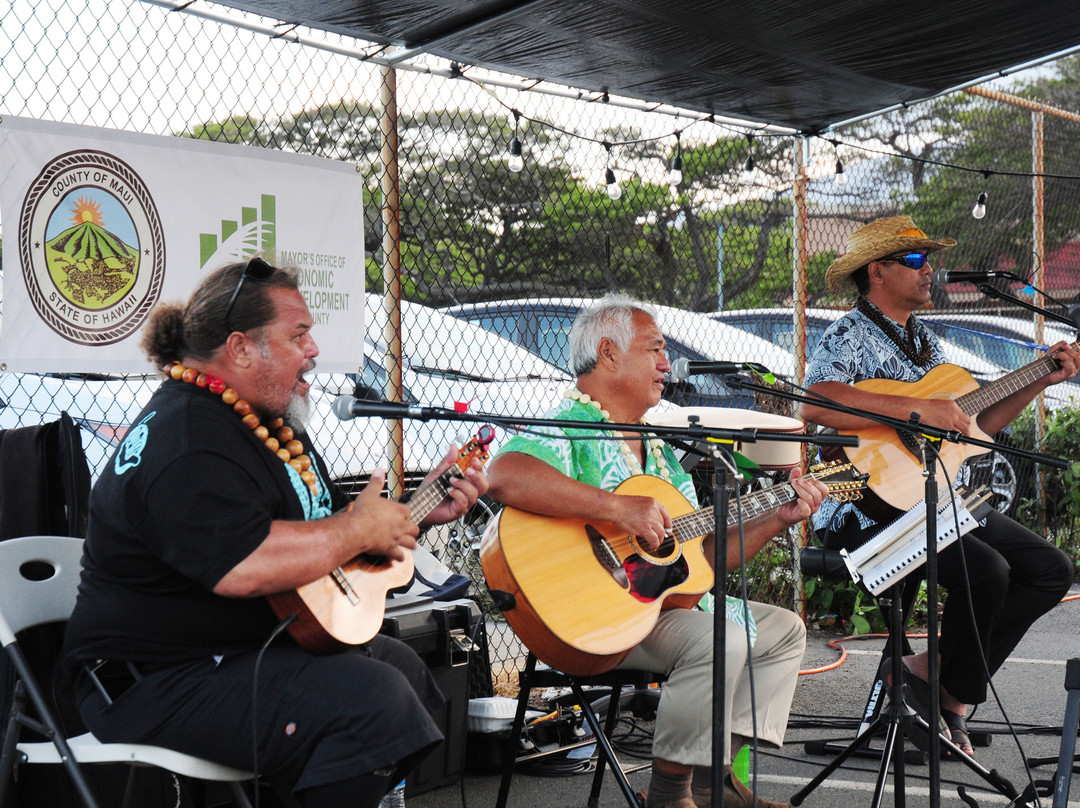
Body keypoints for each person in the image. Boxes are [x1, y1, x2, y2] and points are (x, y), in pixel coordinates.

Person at [60, 257, 488, 808]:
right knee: (372, 701)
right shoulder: (187, 438)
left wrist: (418, 508)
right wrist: (356, 530)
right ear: (241, 348)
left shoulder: (270, 422)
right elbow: (244, 563)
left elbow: (324, 528)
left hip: (236, 652)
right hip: (150, 681)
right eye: (299, 335)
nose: (313, 351)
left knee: (401, 669)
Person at [486, 293, 828, 808]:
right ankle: (669, 795)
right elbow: (505, 475)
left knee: (784, 631)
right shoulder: (570, 423)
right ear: (608, 353)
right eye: (655, 348)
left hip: (655, 606)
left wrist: (776, 520)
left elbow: (702, 563)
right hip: (588, 614)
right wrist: (617, 510)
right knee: (720, 641)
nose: (666, 362)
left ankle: (716, 784)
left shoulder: (661, 451)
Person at [800, 215, 1079, 757]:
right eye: (914, 260)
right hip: (858, 504)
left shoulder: (925, 344)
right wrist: (913, 407)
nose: (930, 269)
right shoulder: (847, 333)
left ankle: (940, 683)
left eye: (929, 259)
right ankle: (945, 696)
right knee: (988, 569)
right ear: (876, 272)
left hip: (926, 494)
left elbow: (972, 429)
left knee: (1050, 570)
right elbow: (815, 402)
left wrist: (1040, 377)